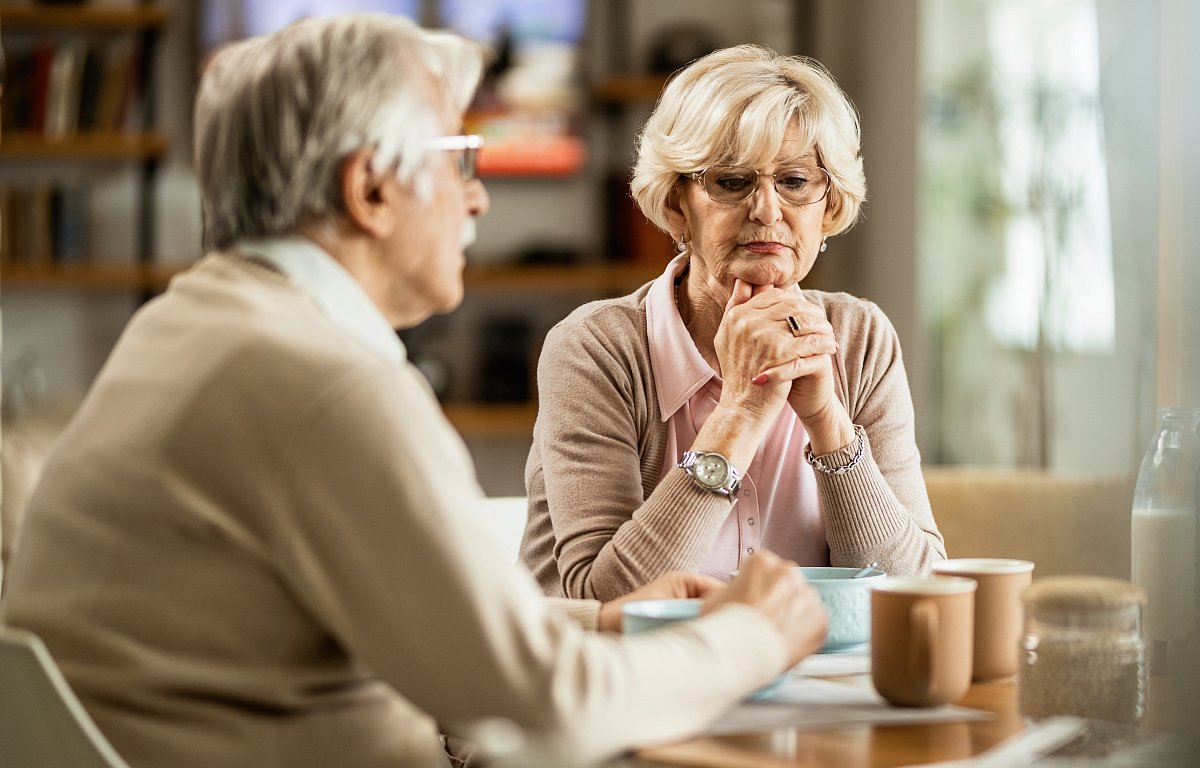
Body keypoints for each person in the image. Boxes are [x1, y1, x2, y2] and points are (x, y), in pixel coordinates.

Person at [0, 17, 828, 768]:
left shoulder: (191, 325)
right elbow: (550, 711)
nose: (479, 197)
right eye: (459, 158)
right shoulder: (327, 389)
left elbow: (442, 638)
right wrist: (755, 636)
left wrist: (600, 622)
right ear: (370, 190)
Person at [520, 45, 946, 601]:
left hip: (815, 684)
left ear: (829, 207)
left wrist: (828, 425)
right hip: (632, 684)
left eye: (794, 181)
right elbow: (605, 604)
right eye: (731, 181)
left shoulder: (860, 338)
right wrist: (739, 414)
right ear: (677, 205)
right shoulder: (593, 349)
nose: (767, 209)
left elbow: (917, 596)